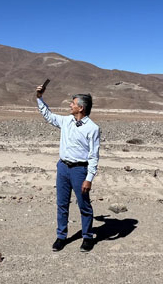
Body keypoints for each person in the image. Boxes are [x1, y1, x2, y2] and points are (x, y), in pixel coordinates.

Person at [35, 83, 100, 252]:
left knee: (84, 205)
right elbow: (48, 116)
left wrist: (89, 178)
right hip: (63, 168)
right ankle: (61, 236)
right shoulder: (65, 121)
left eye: (73, 103)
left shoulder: (92, 128)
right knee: (62, 204)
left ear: (81, 108)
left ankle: (87, 237)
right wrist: (40, 98)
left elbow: (94, 155)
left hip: (80, 170)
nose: (70, 105)